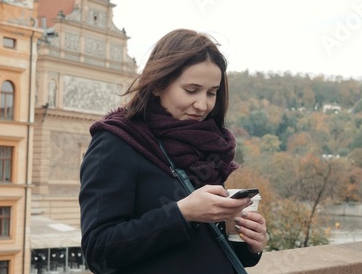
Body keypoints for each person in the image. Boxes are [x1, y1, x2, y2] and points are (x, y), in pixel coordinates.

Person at [79, 28, 267, 274]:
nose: (202, 105)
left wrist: (247, 241)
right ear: (158, 84)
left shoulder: (208, 144)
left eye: (212, 93)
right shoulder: (117, 142)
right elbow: (98, 251)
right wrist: (183, 213)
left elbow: (207, 248)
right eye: (191, 90)